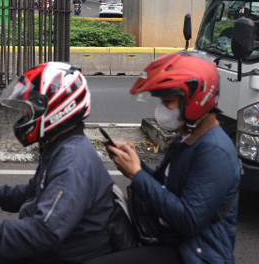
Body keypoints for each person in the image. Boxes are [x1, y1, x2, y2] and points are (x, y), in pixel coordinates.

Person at [0, 62, 115, 264]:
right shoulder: (61, 145)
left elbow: (45, 232)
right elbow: (35, 192)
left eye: (30, 110)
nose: (25, 116)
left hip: (69, 255)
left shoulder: (71, 162)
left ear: (58, 108)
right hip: (61, 245)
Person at [87, 51, 240, 264]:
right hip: (171, 243)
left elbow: (188, 219)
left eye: (168, 101)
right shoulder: (186, 138)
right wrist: (134, 163)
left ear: (195, 101)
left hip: (195, 255)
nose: (161, 109)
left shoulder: (214, 152)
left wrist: (137, 174)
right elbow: (163, 186)